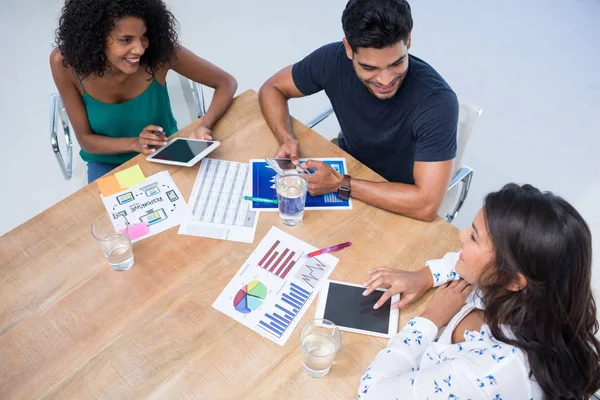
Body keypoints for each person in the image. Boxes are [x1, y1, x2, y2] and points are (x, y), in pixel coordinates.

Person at [358, 183, 600, 399]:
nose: (461, 236)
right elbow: (466, 261)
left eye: (473, 237)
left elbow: (372, 392)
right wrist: (426, 276)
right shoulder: (543, 294)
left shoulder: (486, 373)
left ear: (514, 280)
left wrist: (430, 319)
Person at [259, 0, 458, 221]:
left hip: (399, 202)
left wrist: (340, 183)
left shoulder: (437, 102)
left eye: (397, 63)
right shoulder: (332, 60)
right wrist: (286, 138)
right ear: (348, 48)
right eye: (369, 68)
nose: (386, 80)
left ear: (408, 40)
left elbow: (425, 205)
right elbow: (272, 88)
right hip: (349, 165)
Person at [51, 0, 238, 183]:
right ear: (95, 37)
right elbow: (86, 140)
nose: (140, 49)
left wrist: (204, 125)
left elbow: (226, 82)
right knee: (113, 211)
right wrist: (134, 143)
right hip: (108, 163)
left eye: (144, 36)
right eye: (126, 40)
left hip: (164, 152)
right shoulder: (64, 64)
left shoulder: (162, 54)